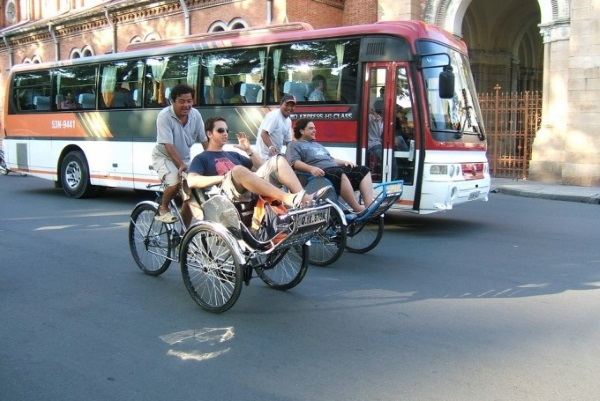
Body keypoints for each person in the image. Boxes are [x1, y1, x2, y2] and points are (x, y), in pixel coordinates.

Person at [185, 116, 330, 210]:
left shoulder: (233, 154)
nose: (225, 133)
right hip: (225, 195)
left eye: (227, 130)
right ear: (209, 134)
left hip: (250, 189)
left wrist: (249, 150)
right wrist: (224, 177)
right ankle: (288, 198)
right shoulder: (202, 158)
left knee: (278, 159)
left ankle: (303, 198)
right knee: (238, 170)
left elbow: (263, 168)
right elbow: (191, 180)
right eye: (220, 130)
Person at [285, 118, 374, 213]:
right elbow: (294, 162)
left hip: (333, 169)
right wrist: (311, 169)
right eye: (311, 128)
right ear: (302, 131)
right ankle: (357, 209)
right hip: (319, 174)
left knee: (363, 170)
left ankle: (369, 207)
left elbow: (330, 159)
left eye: (314, 128)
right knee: (339, 173)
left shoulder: (317, 145)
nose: (314, 130)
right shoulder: (293, 145)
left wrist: (344, 162)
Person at [151, 83, 208, 225]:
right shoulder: (164, 117)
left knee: (192, 196)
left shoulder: (195, 115)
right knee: (175, 182)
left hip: (184, 158)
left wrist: (213, 159)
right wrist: (181, 165)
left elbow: (204, 140)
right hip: (164, 156)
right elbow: (168, 145)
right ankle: (163, 208)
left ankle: (184, 234)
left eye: (189, 101)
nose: (186, 105)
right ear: (173, 102)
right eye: (181, 101)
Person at [255, 94, 296, 159]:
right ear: (281, 104)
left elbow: (288, 141)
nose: (289, 108)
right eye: (287, 105)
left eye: (292, 106)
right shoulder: (274, 115)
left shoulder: (288, 121)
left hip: (275, 156)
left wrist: (293, 153)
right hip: (264, 156)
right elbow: (263, 133)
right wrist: (271, 147)